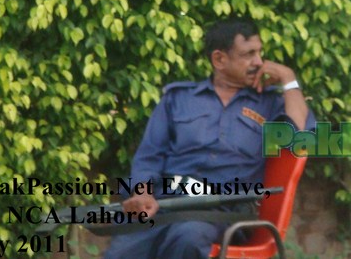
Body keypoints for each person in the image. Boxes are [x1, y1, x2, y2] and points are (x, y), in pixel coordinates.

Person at [103, 17, 314, 259]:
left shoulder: (270, 103)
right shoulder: (178, 99)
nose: (259, 62)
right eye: (248, 54)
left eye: (259, 52)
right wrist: (141, 193)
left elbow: (301, 138)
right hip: (167, 204)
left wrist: (289, 80)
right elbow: (150, 155)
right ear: (219, 59)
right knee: (122, 251)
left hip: (223, 211)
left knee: (187, 236)